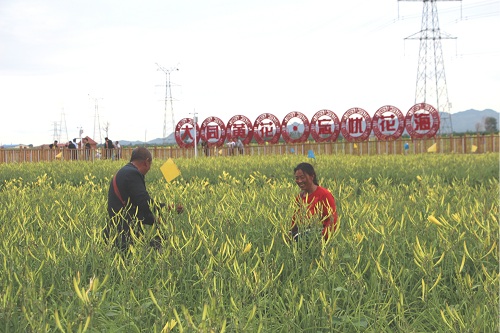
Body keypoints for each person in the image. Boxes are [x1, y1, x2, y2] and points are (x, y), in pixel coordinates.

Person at [104, 147, 159, 251]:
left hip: (118, 228)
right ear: (146, 162)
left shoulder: (125, 171)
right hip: (125, 233)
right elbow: (144, 203)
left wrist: (154, 219)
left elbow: (135, 205)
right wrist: (167, 209)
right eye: (150, 165)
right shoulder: (132, 173)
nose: (149, 168)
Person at [289, 162, 338, 242]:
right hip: (302, 238)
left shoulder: (324, 194)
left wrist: (322, 238)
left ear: (312, 176)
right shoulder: (299, 197)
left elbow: (332, 219)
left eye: (302, 177)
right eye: (297, 178)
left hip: (319, 238)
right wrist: (290, 233)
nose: (299, 181)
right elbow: (295, 220)